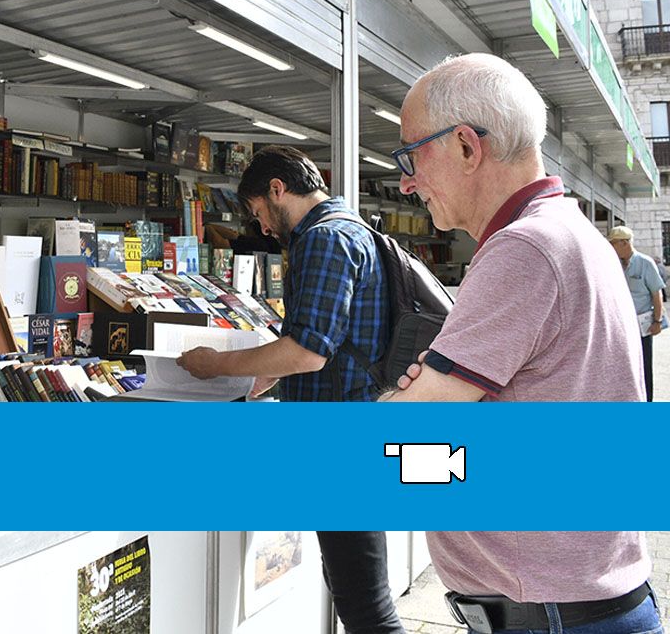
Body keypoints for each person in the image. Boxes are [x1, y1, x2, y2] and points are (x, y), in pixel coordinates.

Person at [384, 53, 657, 634]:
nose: (406, 181)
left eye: (411, 154)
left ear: (465, 145)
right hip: (583, 602)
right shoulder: (571, 233)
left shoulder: (524, 250)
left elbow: (399, 443)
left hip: (552, 615)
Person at [177, 146, 403, 634]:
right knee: (356, 589)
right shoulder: (353, 229)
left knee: (366, 606)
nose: (261, 227)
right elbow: (334, 340)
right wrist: (266, 373)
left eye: (259, 211)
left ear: (277, 190)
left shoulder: (324, 239)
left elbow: (309, 350)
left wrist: (216, 364)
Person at [608, 225, 664, 401]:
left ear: (624, 243)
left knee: (644, 364)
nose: (612, 247)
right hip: (622, 324)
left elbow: (657, 293)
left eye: (614, 244)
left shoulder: (645, 263)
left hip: (642, 324)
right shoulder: (614, 264)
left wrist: (657, 320)